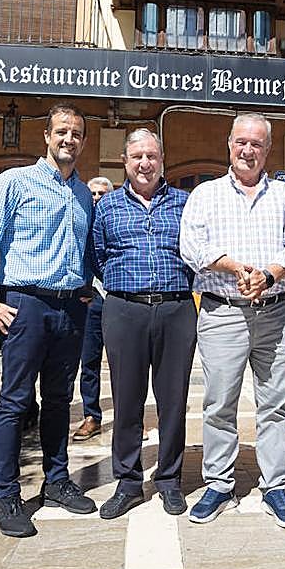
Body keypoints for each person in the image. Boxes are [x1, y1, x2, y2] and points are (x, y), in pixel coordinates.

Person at [0, 103, 97, 538]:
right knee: (15, 403)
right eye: (62, 131)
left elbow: (88, 251)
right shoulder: (13, 182)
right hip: (26, 305)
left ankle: (57, 481)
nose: (69, 139)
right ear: (47, 135)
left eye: (76, 133)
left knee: (59, 400)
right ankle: (6, 496)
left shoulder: (81, 193)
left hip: (69, 307)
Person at [179, 113, 285, 529]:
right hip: (222, 313)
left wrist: (267, 275)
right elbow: (191, 248)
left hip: (275, 314)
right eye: (241, 142)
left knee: (274, 404)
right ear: (229, 145)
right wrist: (237, 269)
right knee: (219, 403)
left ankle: (275, 488)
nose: (248, 150)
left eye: (257, 144)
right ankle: (218, 483)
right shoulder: (205, 194)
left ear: (268, 149)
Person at [94, 130, 196, 519]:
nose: (144, 163)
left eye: (151, 155)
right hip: (124, 310)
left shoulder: (185, 203)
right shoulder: (107, 208)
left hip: (176, 308)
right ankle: (128, 481)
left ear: (162, 159)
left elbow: (194, 252)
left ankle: (169, 480)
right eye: (136, 156)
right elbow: (97, 257)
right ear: (125, 161)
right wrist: (126, 290)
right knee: (127, 399)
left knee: (174, 400)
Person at [73, 176, 113, 442]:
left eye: (102, 194)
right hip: (91, 300)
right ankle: (91, 415)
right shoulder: (81, 223)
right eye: (93, 194)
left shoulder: (117, 220)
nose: (97, 198)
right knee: (89, 361)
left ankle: (130, 417)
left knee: (127, 363)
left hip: (118, 299)